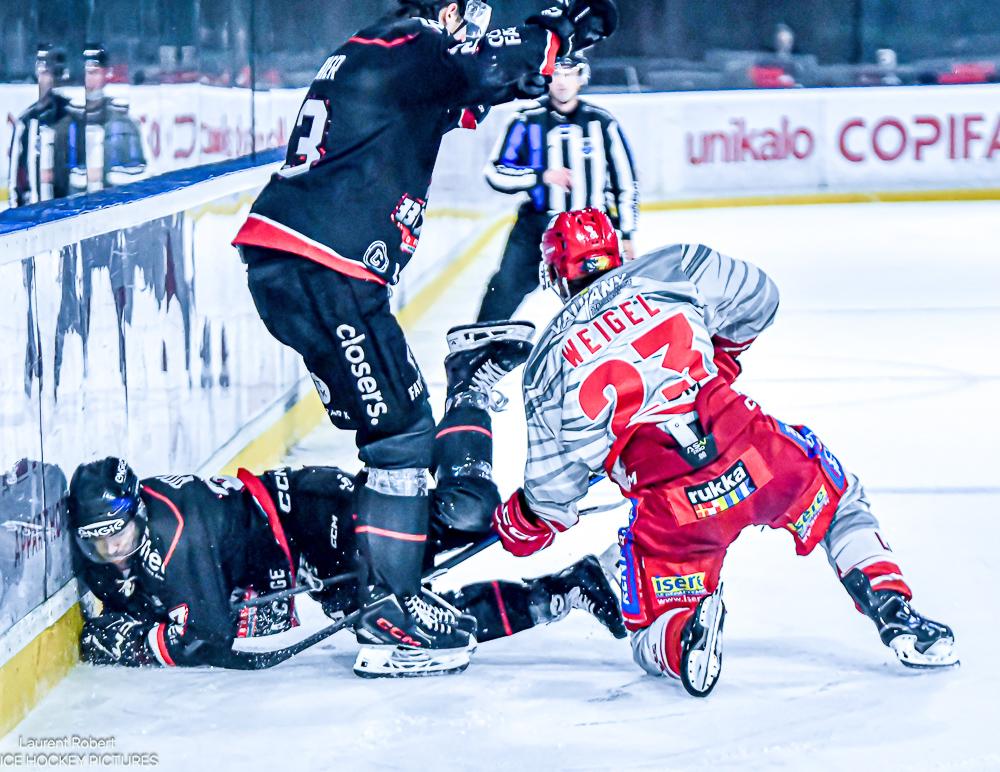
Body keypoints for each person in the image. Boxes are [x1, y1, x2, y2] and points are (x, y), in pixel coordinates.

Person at [231, 0, 619, 671]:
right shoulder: (411, 41)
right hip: (324, 266)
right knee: (403, 433)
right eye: (468, 14)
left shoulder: (385, 50)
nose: (473, 25)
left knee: (399, 426)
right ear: (447, 10)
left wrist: (545, 55)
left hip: (306, 265)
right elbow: (492, 62)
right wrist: (559, 26)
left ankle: (386, 579)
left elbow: (481, 86)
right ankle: (391, 612)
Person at [490, 208, 958, 697]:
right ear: (616, 252)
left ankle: (682, 635)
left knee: (646, 635)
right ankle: (896, 612)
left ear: (553, 277)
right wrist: (721, 359)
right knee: (840, 505)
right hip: (752, 450)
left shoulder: (544, 366)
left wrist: (520, 524)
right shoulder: (673, 265)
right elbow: (761, 298)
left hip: (673, 503)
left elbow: (551, 501)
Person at [72, 331, 626, 676]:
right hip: (310, 550)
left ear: (138, 515)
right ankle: (567, 590)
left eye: (119, 535)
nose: (112, 550)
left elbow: (207, 636)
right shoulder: (134, 539)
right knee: (411, 630)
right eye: (98, 542)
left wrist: (133, 642)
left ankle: (468, 384)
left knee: (466, 518)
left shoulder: (174, 534)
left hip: (318, 520)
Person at [476, 52, 638, 323]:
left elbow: (625, 183)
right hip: (538, 228)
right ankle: (482, 341)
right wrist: (540, 176)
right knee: (503, 291)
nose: (562, 82)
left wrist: (627, 233)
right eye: (556, 74)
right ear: (546, 77)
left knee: (602, 300)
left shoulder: (601, 122)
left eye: (569, 74)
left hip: (592, 231)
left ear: (581, 78)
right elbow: (495, 173)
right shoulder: (526, 120)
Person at [57, 43, 147, 196]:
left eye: (95, 72)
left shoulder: (123, 124)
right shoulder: (68, 124)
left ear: (106, 74)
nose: (89, 79)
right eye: (86, 73)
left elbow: (137, 175)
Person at [6, 44, 72, 207]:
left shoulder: (68, 116)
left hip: (64, 207)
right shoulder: (25, 122)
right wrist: (16, 209)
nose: (46, 78)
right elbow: (15, 177)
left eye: (50, 72)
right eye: (43, 72)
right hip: (35, 209)